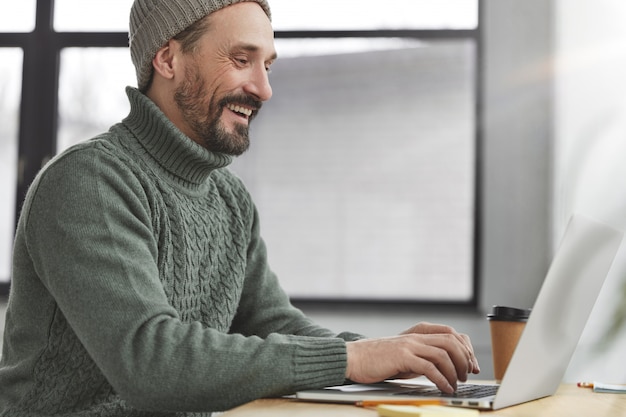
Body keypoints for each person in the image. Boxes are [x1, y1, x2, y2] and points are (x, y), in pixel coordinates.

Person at [0, 0, 480, 415]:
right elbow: (151, 362)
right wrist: (354, 360)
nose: (263, 88)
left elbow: (270, 322)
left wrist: (386, 354)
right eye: (240, 59)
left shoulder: (228, 199)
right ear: (168, 59)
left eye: (267, 65)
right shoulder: (91, 182)